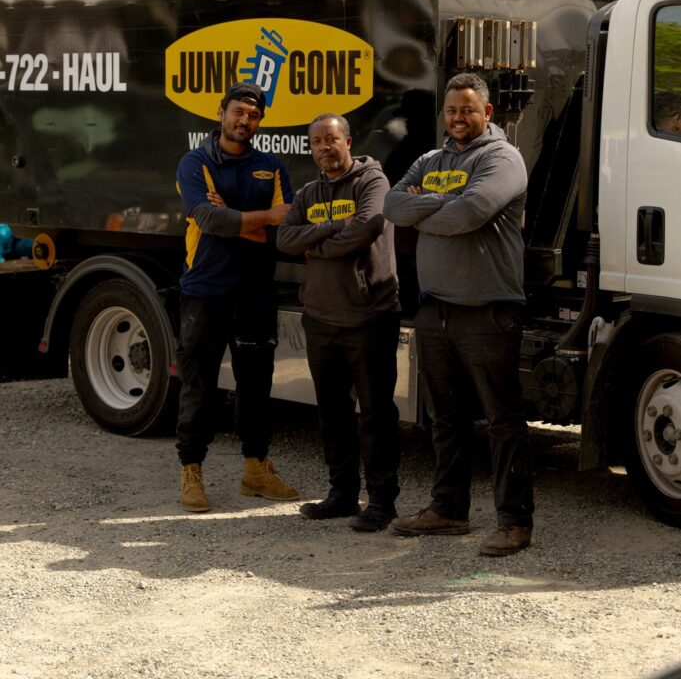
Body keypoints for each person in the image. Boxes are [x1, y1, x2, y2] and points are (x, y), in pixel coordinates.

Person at [383, 72, 534, 556]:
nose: (458, 118)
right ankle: (449, 510)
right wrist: (445, 202)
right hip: (436, 311)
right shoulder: (430, 158)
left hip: (487, 312)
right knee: (445, 418)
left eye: (468, 110)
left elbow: (472, 213)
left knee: (502, 422)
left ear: (487, 112)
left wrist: (424, 208)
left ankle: (514, 522)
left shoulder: (502, 158)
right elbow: (390, 205)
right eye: (452, 110)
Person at [175, 82, 299, 511]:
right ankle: (192, 472)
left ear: (260, 121)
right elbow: (208, 219)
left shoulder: (271, 166)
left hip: (254, 292)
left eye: (253, 114)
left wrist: (234, 218)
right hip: (205, 291)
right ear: (221, 112)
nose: (244, 120)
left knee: (257, 386)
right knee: (199, 386)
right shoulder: (196, 162)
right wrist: (255, 219)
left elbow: (286, 230)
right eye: (238, 112)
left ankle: (256, 470)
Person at [277, 113, 401, 532]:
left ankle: (382, 502)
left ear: (348, 140)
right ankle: (342, 495)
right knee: (332, 413)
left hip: (369, 316)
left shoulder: (372, 182)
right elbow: (284, 238)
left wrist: (318, 246)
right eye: (316, 142)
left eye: (331, 139)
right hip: (321, 319)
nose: (323, 147)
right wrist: (331, 228)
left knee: (375, 415)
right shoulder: (310, 190)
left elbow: (367, 227)